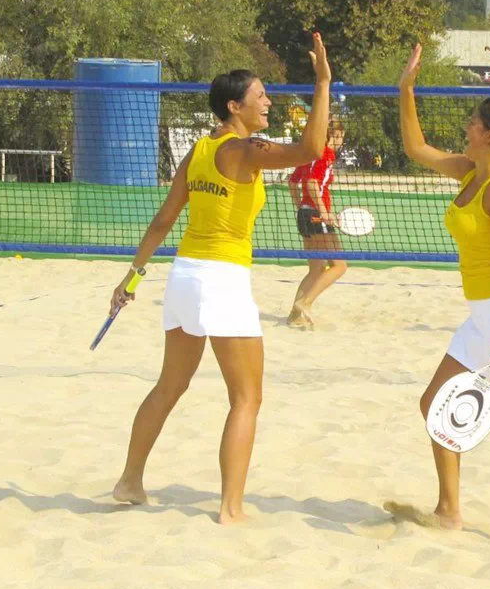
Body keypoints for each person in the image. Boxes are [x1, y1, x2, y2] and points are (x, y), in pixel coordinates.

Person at [108, 34, 332, 524]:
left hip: (184, 277)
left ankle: (130, 480)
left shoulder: (199, 150)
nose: (268, 102)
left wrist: (132, 277)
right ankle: (231, 509)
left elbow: (163, 221)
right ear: (235, 106)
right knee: (247, 398)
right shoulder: (246, 149)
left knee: (169, 386)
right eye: (261, 96)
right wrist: (322, 83)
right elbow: (312, 148)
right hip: (222, 280)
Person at [391, 43, 490, 546]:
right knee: (434, 404)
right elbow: (416, 148)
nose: (466, 126)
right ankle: (448, 511)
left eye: (472, 122)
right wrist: (406, 90)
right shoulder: (470, 170)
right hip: (481, 317)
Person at [287, 121, 348, 328]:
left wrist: (300, 206)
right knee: (339, 266)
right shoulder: (326, 154)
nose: (340, 141)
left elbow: (292, 182)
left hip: (304, 215)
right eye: (339, 136)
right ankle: (305, 303)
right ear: (331, 136)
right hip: (316, 215)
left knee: (316, 269)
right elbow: (312, 183)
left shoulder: (308, 155)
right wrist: (322, 211)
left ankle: (294, 316)